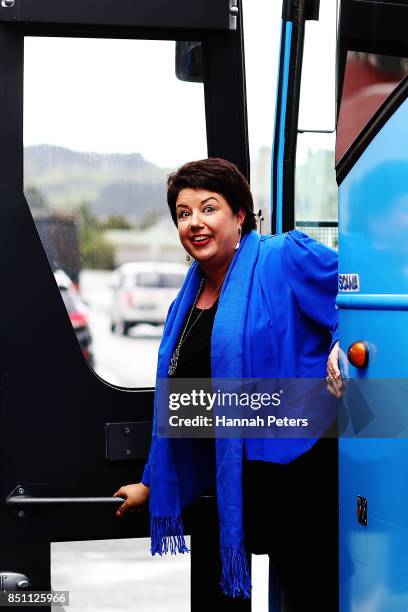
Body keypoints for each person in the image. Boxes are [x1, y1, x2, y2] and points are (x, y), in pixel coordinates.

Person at [113, 158, 342, 611]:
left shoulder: (284, 257)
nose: (194, 222)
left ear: (239, 215)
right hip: (236, 474)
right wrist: (151, 483)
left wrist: (343, 342)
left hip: (302, 472)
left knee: (312, 597)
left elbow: (358, 292)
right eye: (183, 213)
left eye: (208, 208)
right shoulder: (190, 294)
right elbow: (185, 398)